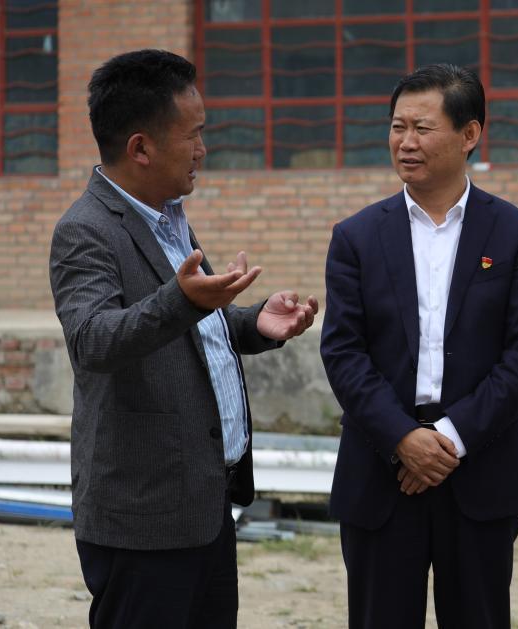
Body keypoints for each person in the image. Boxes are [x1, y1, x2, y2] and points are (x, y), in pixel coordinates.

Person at [49, 49, 318, 628]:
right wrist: (185, 300)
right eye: (193, 135)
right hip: (143, 518)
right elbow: (93, 341)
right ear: (140, 148)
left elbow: (188, 328)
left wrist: (252, 323)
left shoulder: (168, 216)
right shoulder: (85, 230)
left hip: (203, 504)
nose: (203, 149)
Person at [320, 63, 518, 628]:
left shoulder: (516, 233)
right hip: (381, 469)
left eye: (422, 128)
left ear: (469, 134)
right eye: (398, 127)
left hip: (480, 467)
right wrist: (403, 438)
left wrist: (447, 439)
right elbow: (343, 353)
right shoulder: (357, 237)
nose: (406, 142)